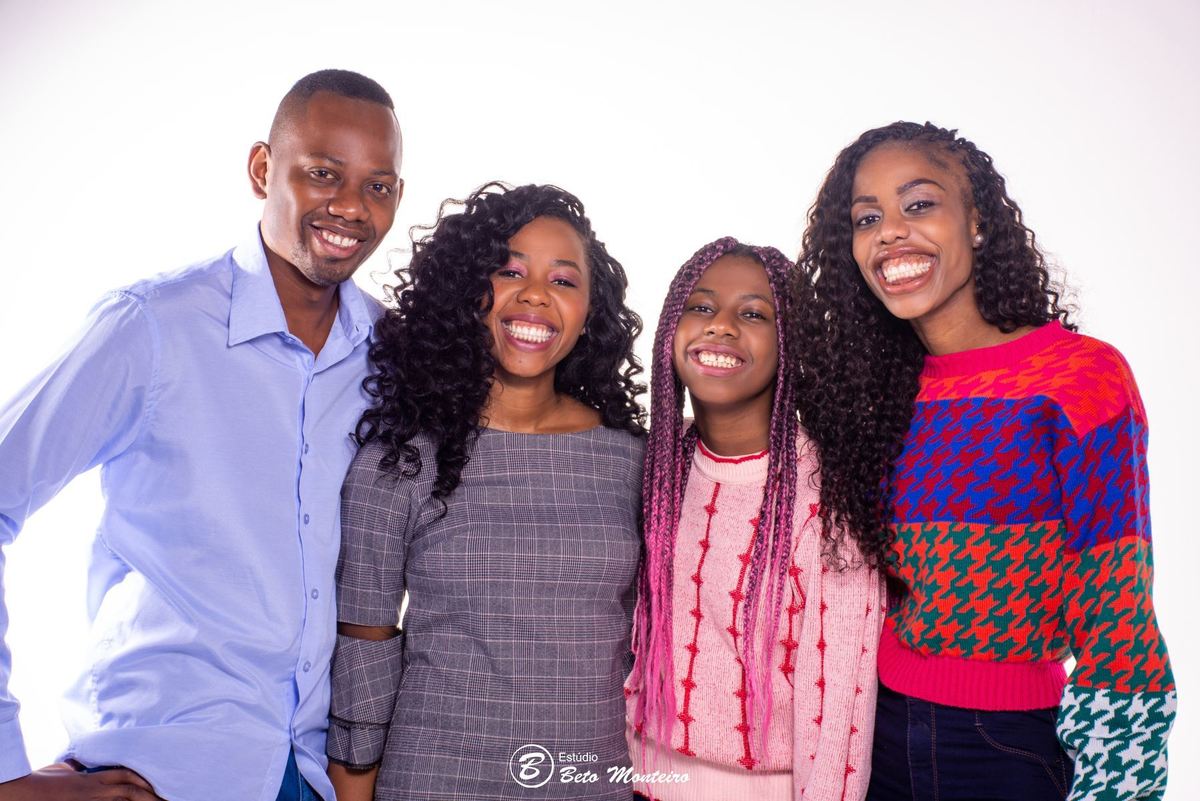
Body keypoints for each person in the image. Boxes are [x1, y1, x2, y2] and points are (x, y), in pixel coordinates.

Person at [0, 69, 403, 801]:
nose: (350, 206)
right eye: (323, 173)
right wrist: (3, 770)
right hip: (160, 772)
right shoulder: (151, 326)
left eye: (377, 185)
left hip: (319, 775)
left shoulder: (390, 352)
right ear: (262, 169)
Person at [793, 121, 1175, 801]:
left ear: (976, 222)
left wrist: (1122, 784)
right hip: (870, 732)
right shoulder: (873, 390)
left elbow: (1116, 610)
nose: (889, 232)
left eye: (919, 204)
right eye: (867, 217)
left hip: (1007, 746)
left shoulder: (1079, 378)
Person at [324, 182, 646, 801]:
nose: (534, 295)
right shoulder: (400, 459)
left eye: (563, 280)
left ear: (590, 312)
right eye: (509, 270)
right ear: (468, 292)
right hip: (434, 780)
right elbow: (363, 650)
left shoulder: (631, 462)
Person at [625, 238, 885, 801]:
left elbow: (841, 707)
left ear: (793, 343)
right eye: (700, 307)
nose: (719, 326)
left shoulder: (829, 496)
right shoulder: (655, 468)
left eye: (753, 314)